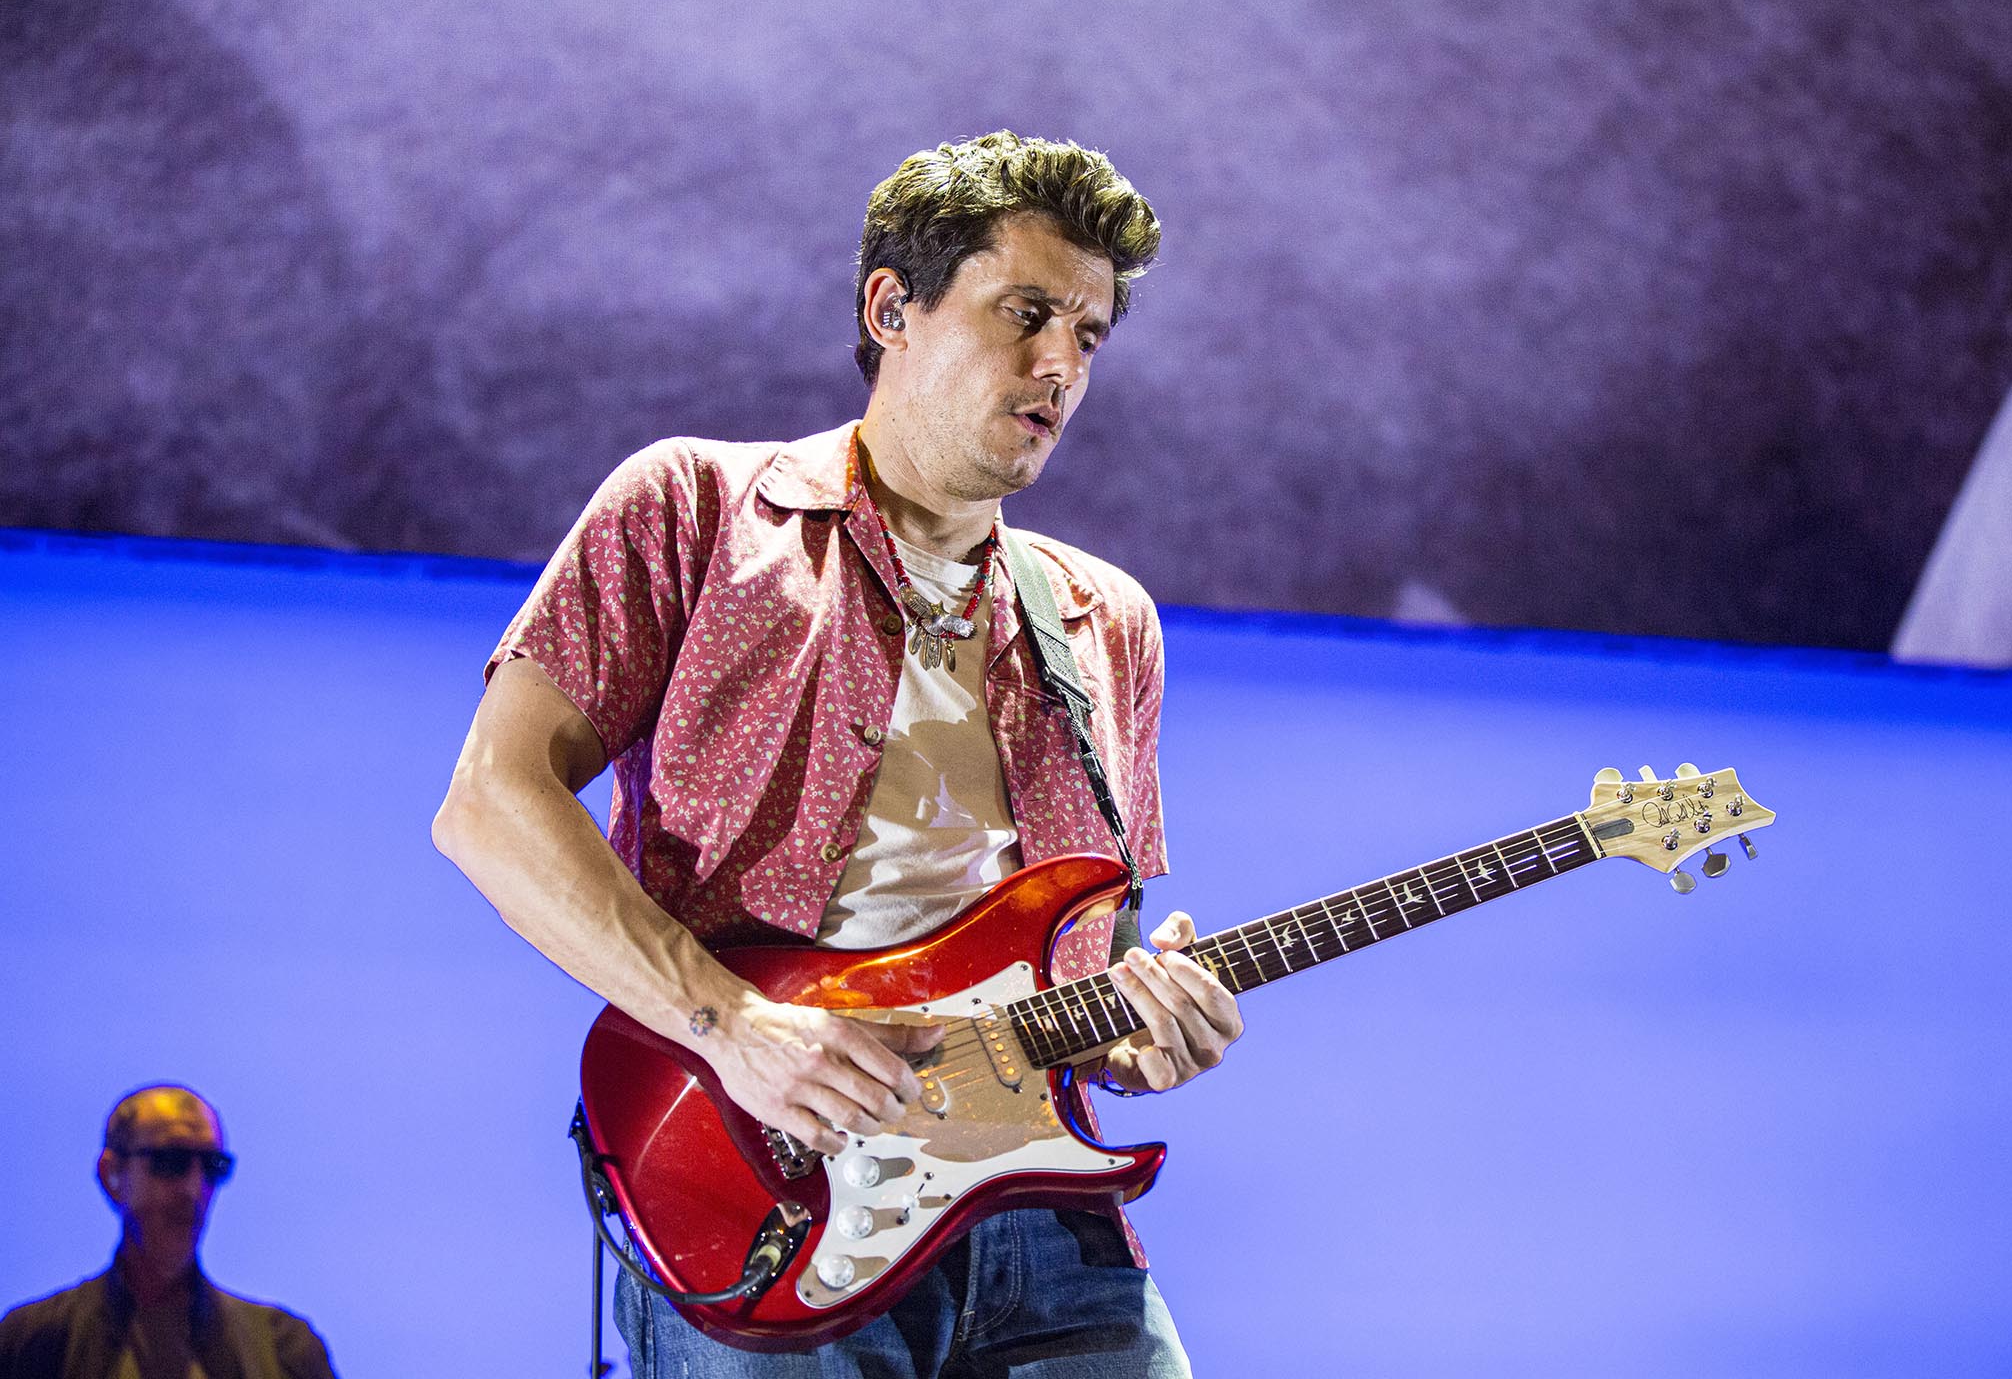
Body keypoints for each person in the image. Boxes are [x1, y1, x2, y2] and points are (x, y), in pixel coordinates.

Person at [433, 130, 1243, 1376]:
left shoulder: (1105, 619)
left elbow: (1101, 944)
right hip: (771, 1188)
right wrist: (735, 1023)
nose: (1060, 366)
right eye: (1028, 312)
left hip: (1049, 1222)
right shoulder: (694, 510)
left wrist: (1139, 1032)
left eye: (1089, 334)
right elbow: (489, 803)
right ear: (891, 305)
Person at [0, 1084, 338, 1379]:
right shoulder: (34, 1344)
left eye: (212, 1167)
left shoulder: (283, 1350)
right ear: (112, 1175)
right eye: (171, 1160)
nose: (193, 1189)